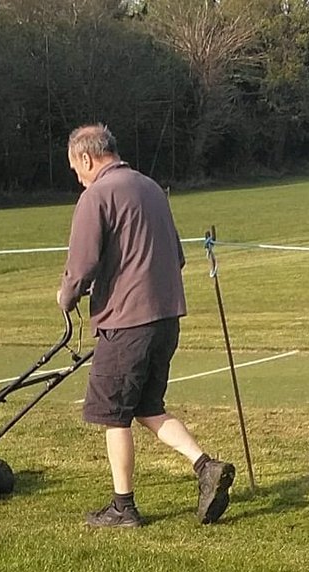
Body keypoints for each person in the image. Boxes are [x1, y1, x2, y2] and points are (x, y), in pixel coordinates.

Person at [57, 123, 235, 529]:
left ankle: (123, 507)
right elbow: (178, 256)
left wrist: (66, 298)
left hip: (126, 322)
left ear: (86, 158)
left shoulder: (96, 196)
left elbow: (81, 266)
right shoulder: (152, 188)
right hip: (166, 318)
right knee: (147, 407)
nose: (77, 178)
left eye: (75, 168)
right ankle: (206, 466)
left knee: (113, 414)